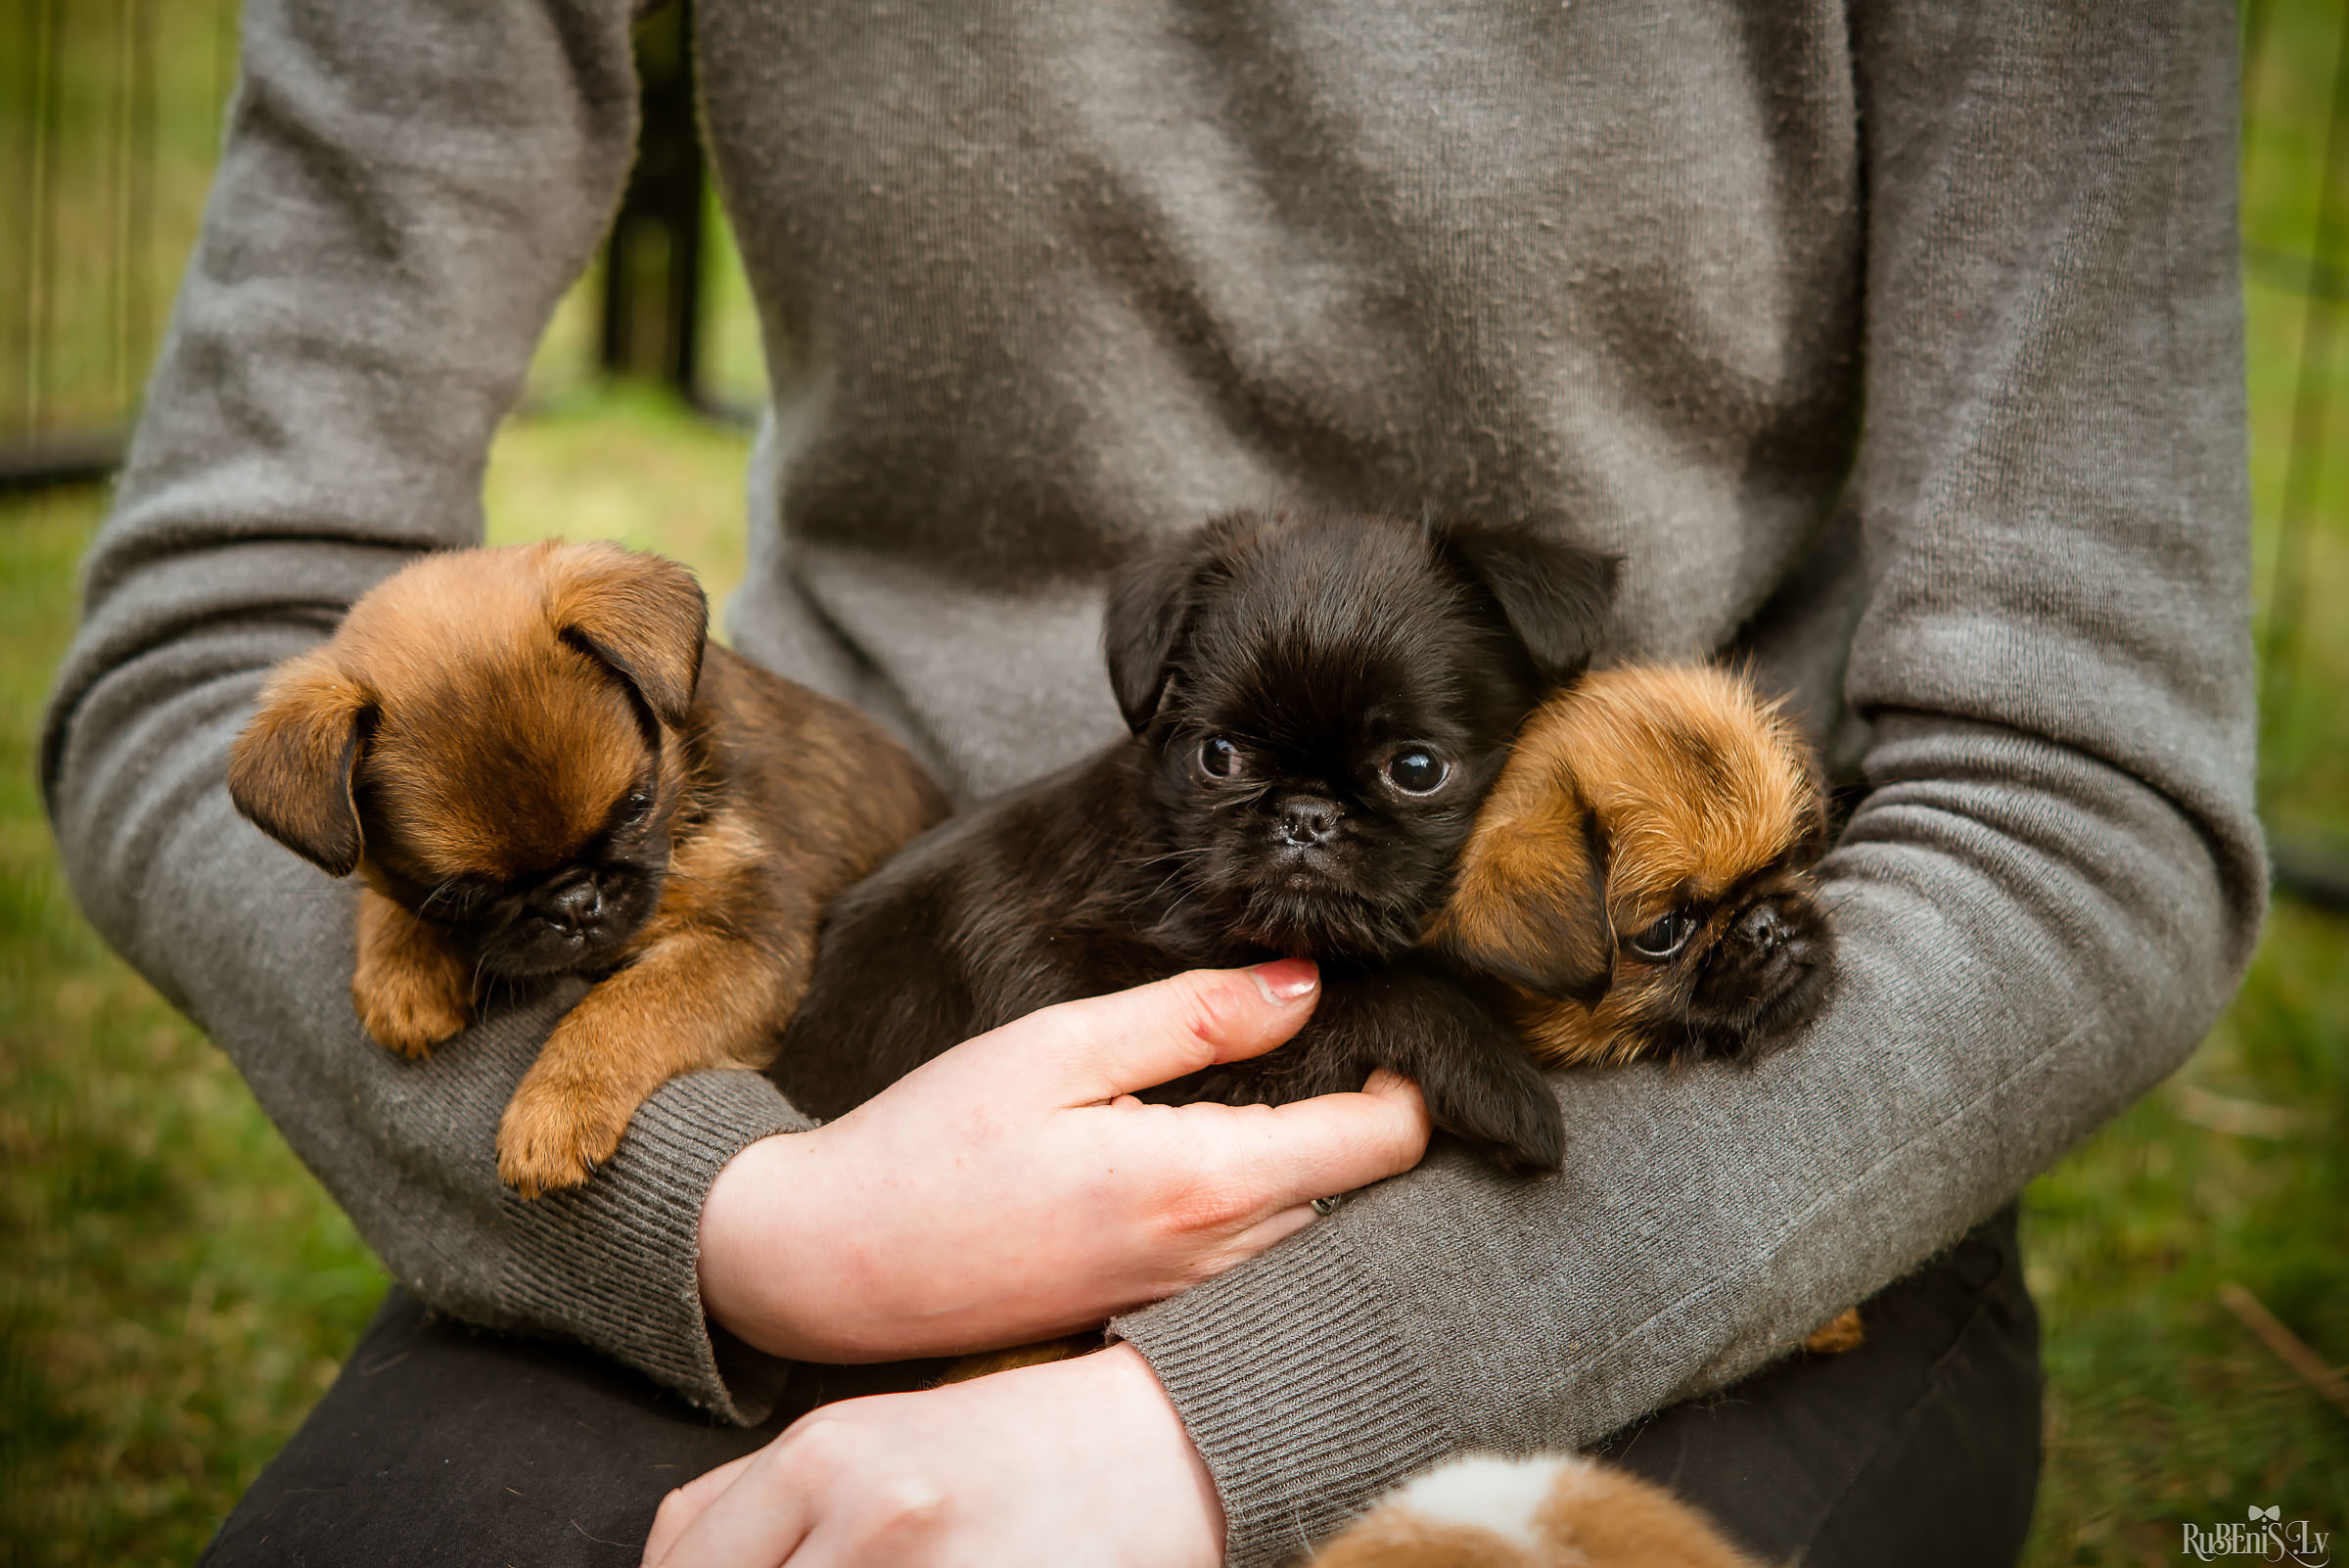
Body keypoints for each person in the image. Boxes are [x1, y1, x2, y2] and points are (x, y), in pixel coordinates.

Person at [40, 0, 2262, 1563]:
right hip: (841, 1057)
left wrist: (1224, 1428)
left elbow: (2089, 798)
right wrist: (730, 1210)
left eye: (1401, 765)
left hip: (1683, 1129)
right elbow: (207, 637)